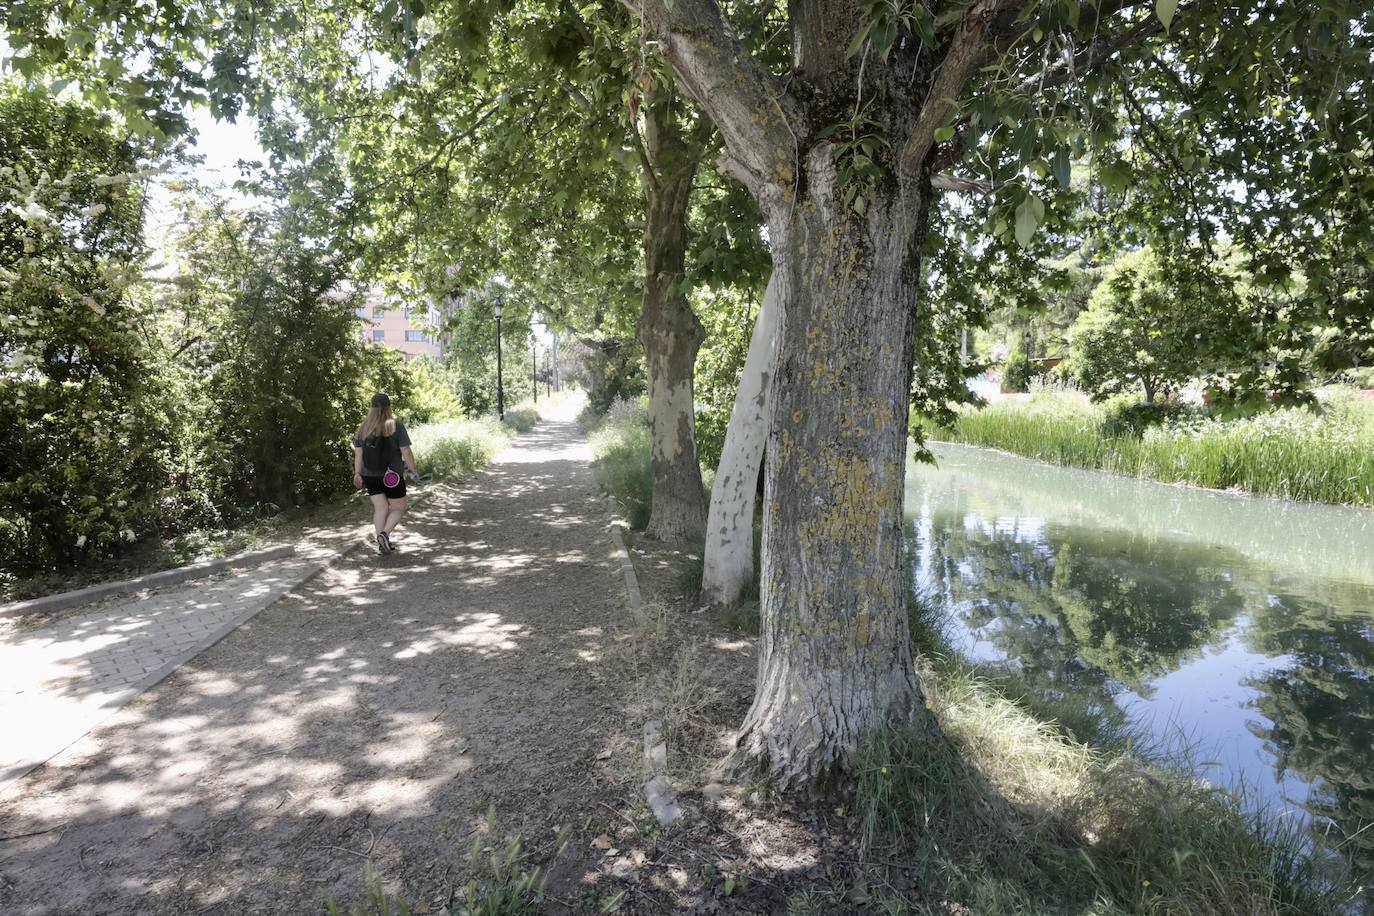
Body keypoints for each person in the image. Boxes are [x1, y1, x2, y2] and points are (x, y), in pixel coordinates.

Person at [353, 392, 418, 555]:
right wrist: (413, 470)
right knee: (398, 507)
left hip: (369, 475)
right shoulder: (396, 426)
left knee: (380, 508)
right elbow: (406, 451)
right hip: (392, 477)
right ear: (388, 407)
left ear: (371, 408)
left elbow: (358, 454)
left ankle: (382, 545)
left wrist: (357, 474)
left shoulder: (362, 428)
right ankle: (384, 534)